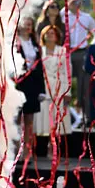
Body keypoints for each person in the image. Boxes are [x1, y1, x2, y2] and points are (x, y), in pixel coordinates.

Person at [34, 25, 72, 155]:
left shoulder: (63, 51)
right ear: (43, 36)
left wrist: (68, 92)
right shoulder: (39, 51)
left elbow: (67, 72)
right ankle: (41, 148)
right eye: (47, 33)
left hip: (59, 88)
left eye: (52, 33)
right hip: (43, 88)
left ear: (57, 36)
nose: (50, 35)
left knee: (57, 119)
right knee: (43, 118)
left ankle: (54, 148)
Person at [60, 0, 95, 122]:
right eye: (73, 0)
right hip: (65, 53)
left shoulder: (86, 18)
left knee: (84, 85)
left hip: (81, 53)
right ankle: (63, 116)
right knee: (64, 83)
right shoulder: (62, 16)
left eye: (78, 1)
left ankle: (86, 117)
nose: (76, 3)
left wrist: (91, 46)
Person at [14, 17, 45, 155]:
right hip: (18, 84)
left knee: (29, 119)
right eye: (25, 24)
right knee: (15, 119)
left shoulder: (35, 45)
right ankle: (14, 152)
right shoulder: (13, 43)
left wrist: (41, 90)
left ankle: (26, 152)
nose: (28, 27)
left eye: (30, 24)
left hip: (32, 84)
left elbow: (40, 67)